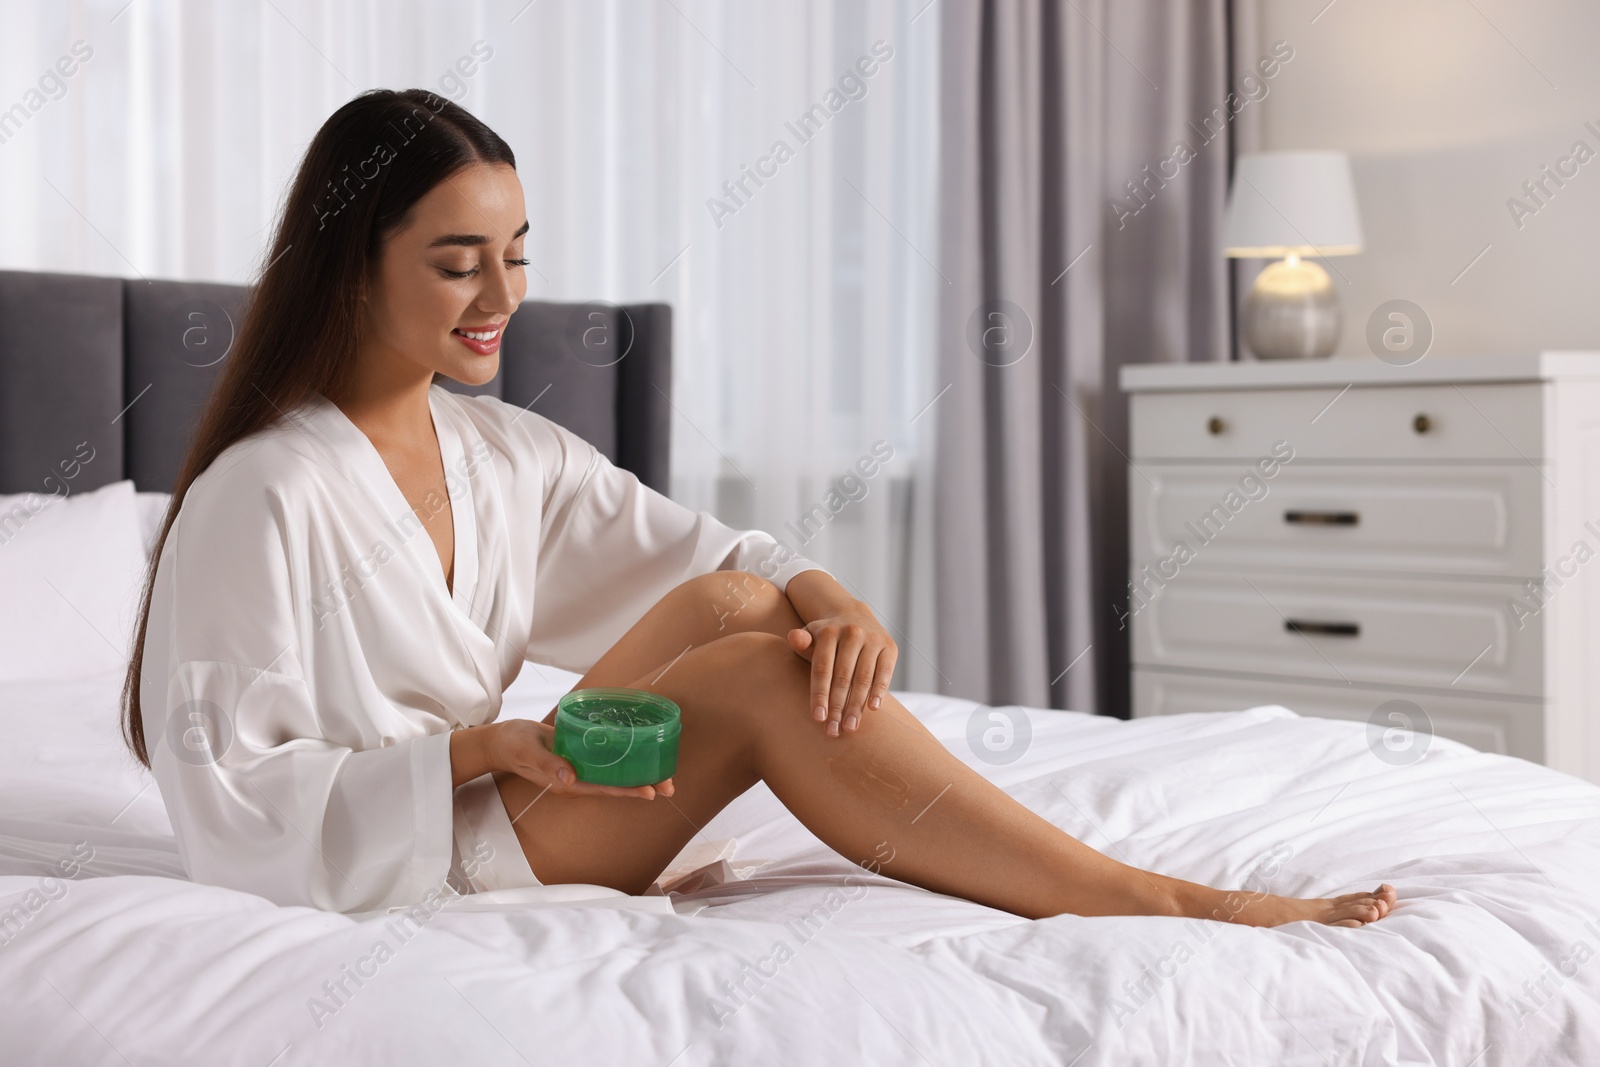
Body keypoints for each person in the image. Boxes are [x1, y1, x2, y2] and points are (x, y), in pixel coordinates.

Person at [122, 88, 1395, 927]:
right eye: (458, 262)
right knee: (763, 683)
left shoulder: (501, 451)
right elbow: (228, 800)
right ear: (351, 269)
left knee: (749, 605)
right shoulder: (264, 493)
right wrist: (472, 749)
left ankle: (1090, 868)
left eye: (516, 253)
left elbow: (714, 562)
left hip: (487, 799)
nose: (499, 294)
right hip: (403, 857)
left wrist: (826, 591)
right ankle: (1144, 897)